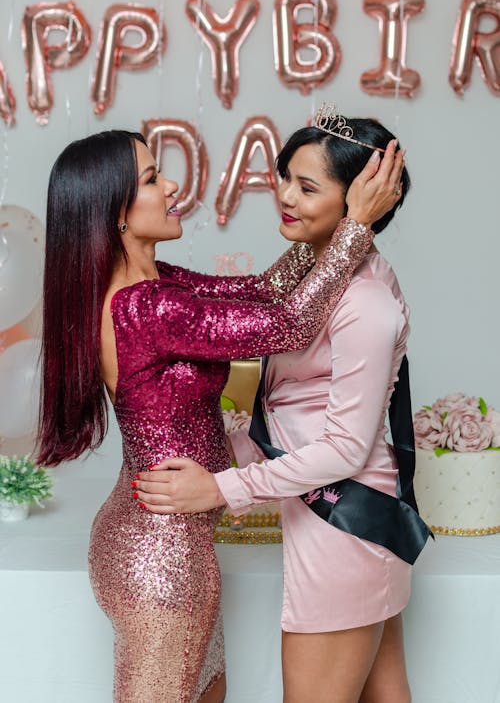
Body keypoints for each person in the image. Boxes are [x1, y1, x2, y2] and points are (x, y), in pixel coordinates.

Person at [36, 126, 403, 703]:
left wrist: (325, 226)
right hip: (161, 557)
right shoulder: (144, 306)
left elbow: (262, 293)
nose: (172, 184)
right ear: (116, 215)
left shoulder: (159, 284)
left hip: (159, 539)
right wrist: (351, 227)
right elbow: (288, 325)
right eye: (153, 179)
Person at [134, 112, 417, 703]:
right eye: (285, 176)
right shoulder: (312, 273)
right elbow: (292, 402)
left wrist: (221, 489)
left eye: (308, 187)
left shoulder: (364, 300)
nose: (284, 196)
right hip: (338, 522)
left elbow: (343, 447)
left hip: (347, 521)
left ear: (359, 197)